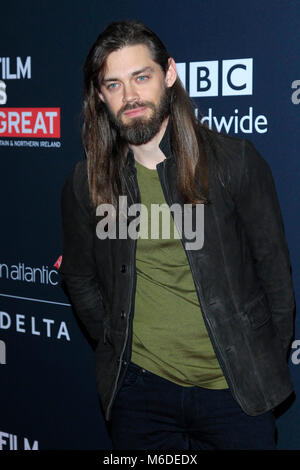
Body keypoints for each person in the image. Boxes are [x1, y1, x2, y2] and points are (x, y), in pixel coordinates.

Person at [60, 20, 295, 450]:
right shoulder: (87, 184)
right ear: (99, 96)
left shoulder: (234, 162)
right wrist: (120, 345)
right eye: (113, 85)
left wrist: (255, 361)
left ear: (169, 75)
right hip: (140, 397)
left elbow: (277, 280)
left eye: (141, 77)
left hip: (235, 396)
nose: (130, 96)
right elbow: (78, 277)